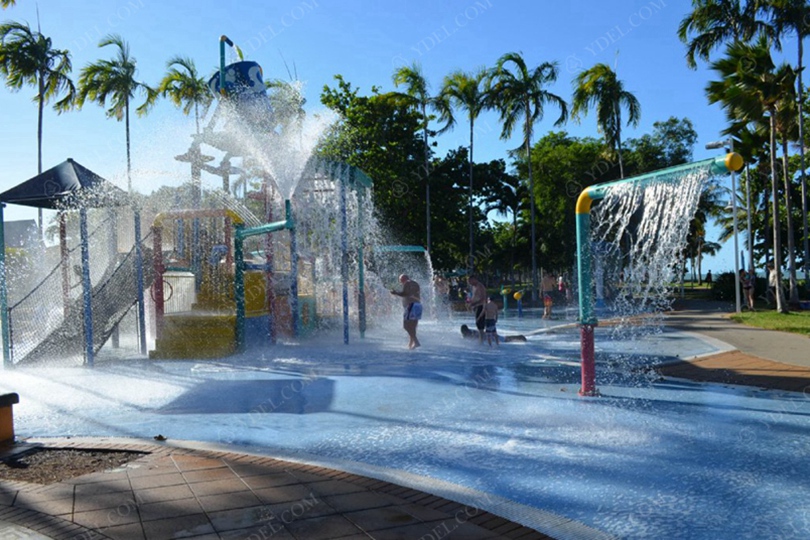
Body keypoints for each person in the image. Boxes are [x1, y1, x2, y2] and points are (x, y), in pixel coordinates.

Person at [390, 274, 422, 349]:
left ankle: (416, 342)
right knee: (413, 326)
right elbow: (413, 294)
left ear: (402, 279)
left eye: (400, 281)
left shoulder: (407, 283)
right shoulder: (415, 283)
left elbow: (405, 294)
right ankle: (411, 344)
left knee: (406, 326)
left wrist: (395, 293)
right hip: (418, 305)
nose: (400, 283)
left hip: (411, 306)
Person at [467, 276, 487, 342]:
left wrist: (473, 304)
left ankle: (482, 339)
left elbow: (483, 298)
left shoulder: (480, 286)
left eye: (470, 281)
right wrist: (470, 303)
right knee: (478, 323)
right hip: (476, 306)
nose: (470, 283)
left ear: (474, 279)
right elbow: (474, 296)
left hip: (481, 306)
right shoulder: (474, 287)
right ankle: (481, 338)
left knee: (480, 322)